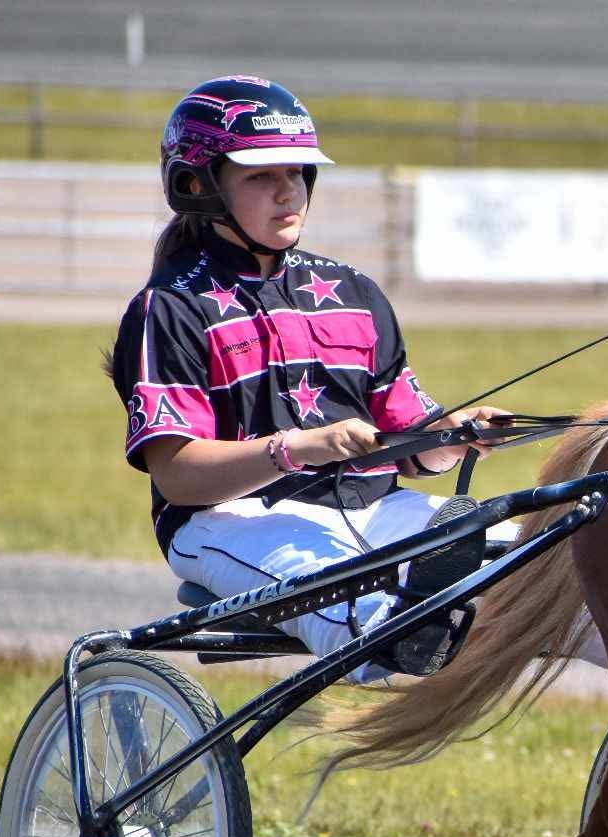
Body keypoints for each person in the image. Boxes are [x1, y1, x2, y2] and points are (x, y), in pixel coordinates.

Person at [108, 75, 512, 680]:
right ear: (198, 185)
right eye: (260, 177)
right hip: (232, 522)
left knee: (558, 566)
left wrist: (450, 437)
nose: (287, 192)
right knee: (376, 627)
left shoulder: (353, 292)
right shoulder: (168, 308)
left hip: (379, 509)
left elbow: (409, 444)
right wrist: (297, 449)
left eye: (296, 173)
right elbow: (178, 475)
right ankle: (412, 623)